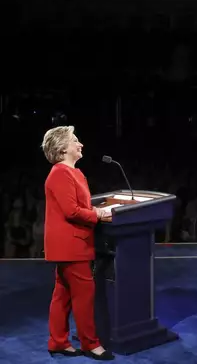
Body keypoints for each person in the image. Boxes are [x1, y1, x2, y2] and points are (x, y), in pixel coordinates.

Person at [41, 126, 115, 360]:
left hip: (72, 243)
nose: (80, 144)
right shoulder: (60, 173)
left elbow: (78, 206)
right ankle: (90, 343)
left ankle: (58, 341)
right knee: (83, 295)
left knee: (62, 294)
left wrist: (94, 210)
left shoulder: (74, 173)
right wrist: (99, 215)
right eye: (75, 140)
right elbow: (72, 211)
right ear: (63, 148)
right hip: (72, 244)